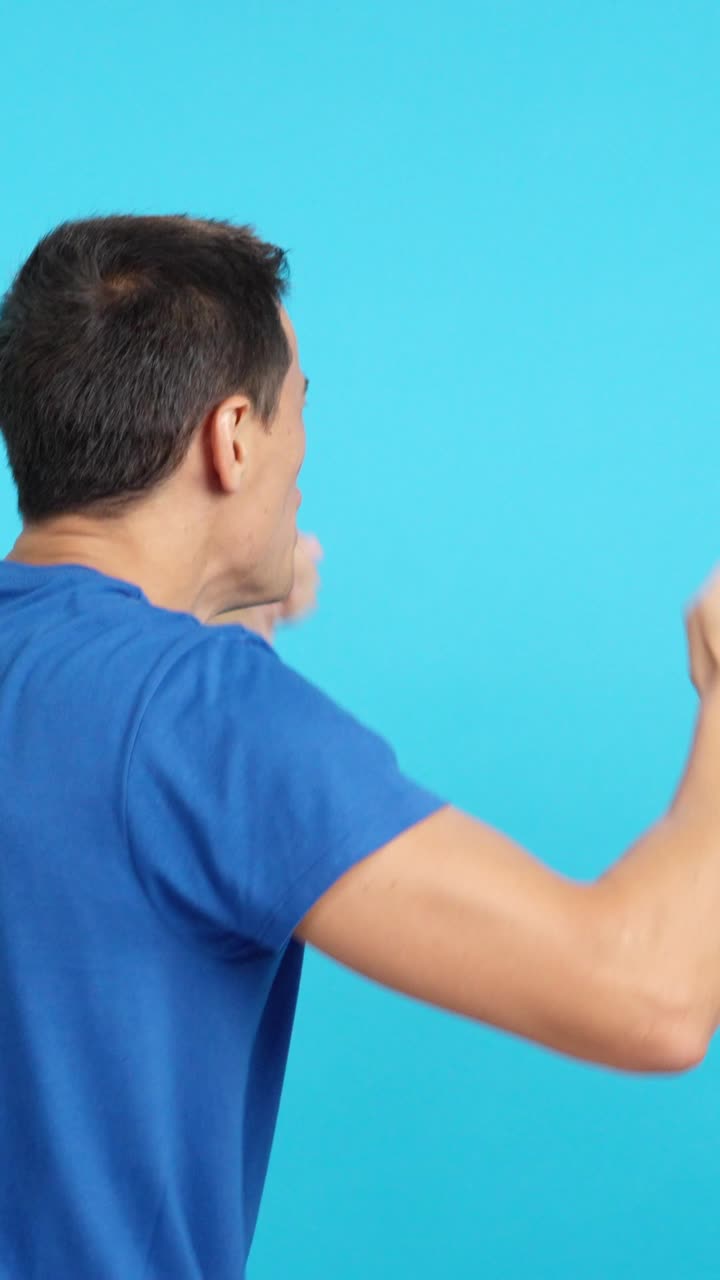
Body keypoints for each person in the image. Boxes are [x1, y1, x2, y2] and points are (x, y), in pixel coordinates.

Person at [0, 214, 718, 1280]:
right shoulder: (204, 716)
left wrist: (223, 596)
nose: (301, 460)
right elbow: (648, 995)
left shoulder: (148, 709)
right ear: (232, 437)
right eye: (297, 409)